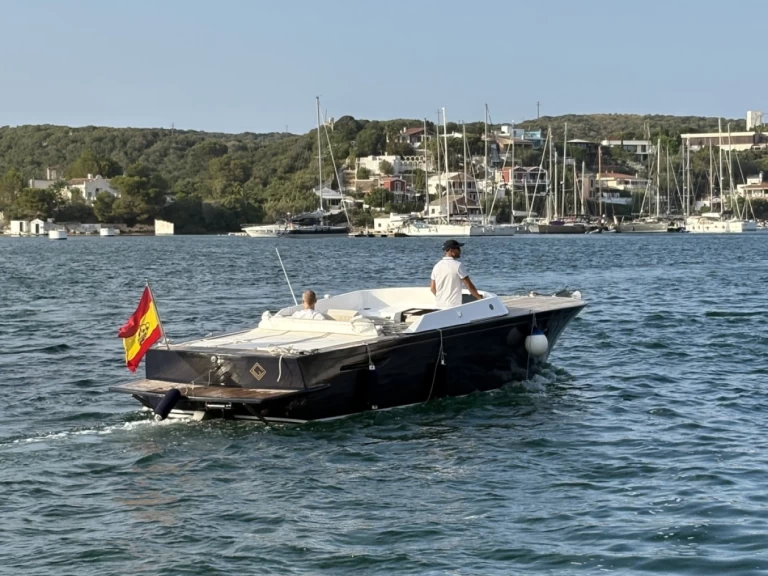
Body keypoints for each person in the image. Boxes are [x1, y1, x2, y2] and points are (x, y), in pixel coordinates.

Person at [430, 239, 483, 309]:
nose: (460, 251)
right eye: (458, 248)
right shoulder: (458, 265)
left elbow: (433, 288)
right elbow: (469, 285)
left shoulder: (436, 266)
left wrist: (442, 299)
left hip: (439, 306)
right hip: (454, 306)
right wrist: (479, 298)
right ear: (451, 250)